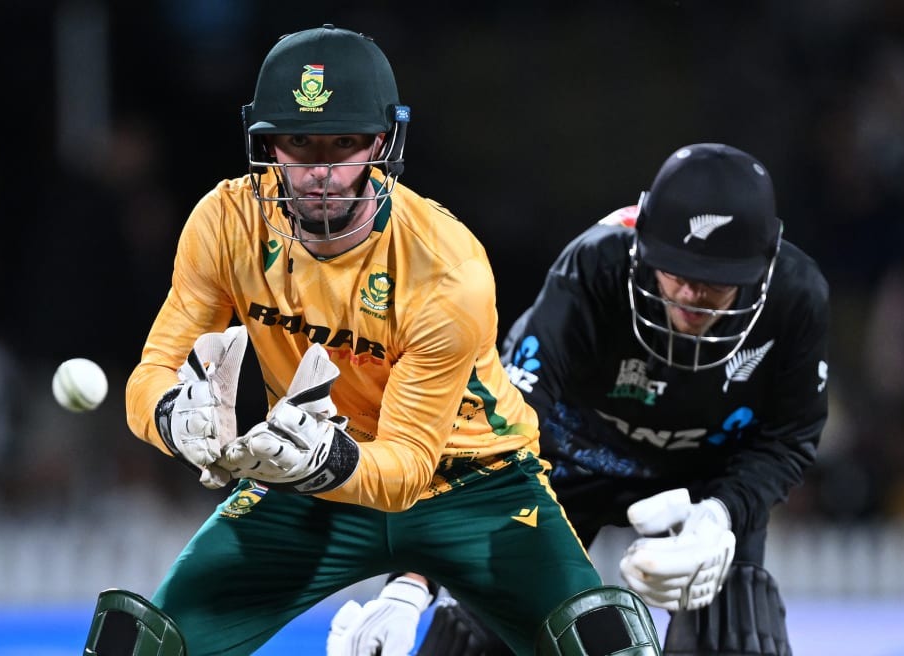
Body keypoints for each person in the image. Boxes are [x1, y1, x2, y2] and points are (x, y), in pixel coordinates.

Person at [81, 25, 662, 656]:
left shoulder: (445, 267)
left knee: (604, 645)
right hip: (302, 479)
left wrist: (324, 460)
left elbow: (408, 470)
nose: (321, 172)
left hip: (475, 485)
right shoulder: (225, 223)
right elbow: (150, 374)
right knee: (138, 647)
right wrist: (172, 419)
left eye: (344, 144)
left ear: (382, 143)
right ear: (268, 146)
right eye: (299, 144)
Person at [330, 143, 829, 655]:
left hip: (706, 482)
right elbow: (494, 425)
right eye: (674, 271)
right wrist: (412, 583)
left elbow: (789, 438)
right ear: (644, 244)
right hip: (570, 460)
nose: (688, 297)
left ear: (760, 271)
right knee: (479, 632)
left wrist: (723, 513)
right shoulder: (594, 266)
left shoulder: (797, 297)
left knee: (736, 630)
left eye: (714, 285)